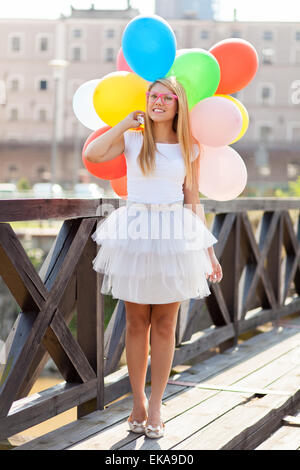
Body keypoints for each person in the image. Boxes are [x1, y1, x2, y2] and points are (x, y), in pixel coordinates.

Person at [84, 76, 222, 439]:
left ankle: (158, 404)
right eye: (153, 95)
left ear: (178, 105)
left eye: (166, 97)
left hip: (175, 234)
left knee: (164, 324)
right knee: (135, 323)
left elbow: (193, 202)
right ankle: (137, 402)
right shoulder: (133, 138)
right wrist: (124, 124)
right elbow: (94, 155)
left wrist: (208, 251)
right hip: (136, 232)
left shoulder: (189, 147)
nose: (158, 101)